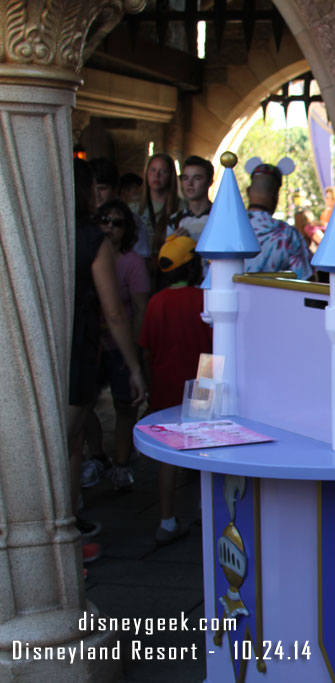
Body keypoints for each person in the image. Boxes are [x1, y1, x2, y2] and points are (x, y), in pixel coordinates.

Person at [68, 159, 147, 562]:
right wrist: (134, 366)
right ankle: (65, 532)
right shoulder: (89, 239)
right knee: (69, 438)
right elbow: (114, 311)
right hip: (75, 345)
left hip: (32, 343)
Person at [138, 234, 211, 545]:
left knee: (167, 457)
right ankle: (206, 513)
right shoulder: (203, 300)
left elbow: (146, 347)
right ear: (193, 266)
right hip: (202, 384)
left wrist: (146, 379)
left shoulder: (156, 303)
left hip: (164, 386)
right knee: (207, 450)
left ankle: (166, 520)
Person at [96, 198, 150, 491]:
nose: (110, 228)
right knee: (82, 405)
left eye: (117, 223)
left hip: (121, 342)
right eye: (105, 221)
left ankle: (120, 464)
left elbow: (140, 308)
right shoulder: (91, 254)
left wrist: (135, 348)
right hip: (93, 341)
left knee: (124, 405)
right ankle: (95, 456)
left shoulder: (133, 262)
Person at [244, 161, 313, 279]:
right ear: (276, 196)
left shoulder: (227, 229)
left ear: (248, 192)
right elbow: (305, 280)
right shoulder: (288, 235)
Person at [140, 153, 181, 264]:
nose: (157, 175)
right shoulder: (134, 208)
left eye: (163, 171)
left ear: (170, 176)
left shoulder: (182, 207)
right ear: (147, 173)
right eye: (153, 170)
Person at [169, 156, 214, 240]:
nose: (190, 183)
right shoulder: (175, 220)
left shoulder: (221, 217)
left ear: (210, 182)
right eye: (185, 178)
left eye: (197, 178)